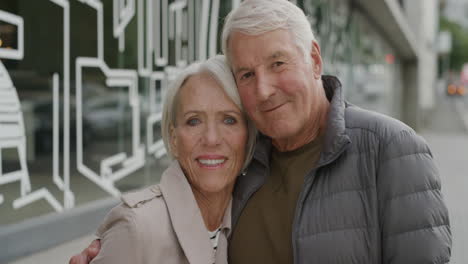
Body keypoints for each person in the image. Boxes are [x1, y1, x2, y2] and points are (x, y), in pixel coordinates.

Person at [71, 0, 452, 263]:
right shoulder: (244, 161)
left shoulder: (392, 150)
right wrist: (123, 241)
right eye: (247, 75)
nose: (264, 89)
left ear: (314, 59)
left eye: (278, 63)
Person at [80, 55, 256, 264]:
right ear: (173, 139)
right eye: (194, 121)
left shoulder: (250, 221)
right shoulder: (136, 227)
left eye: (229, 119)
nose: (211, 138)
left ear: (248, 135)